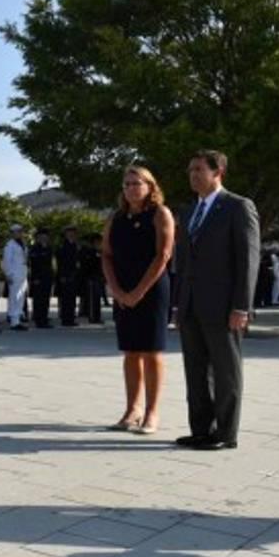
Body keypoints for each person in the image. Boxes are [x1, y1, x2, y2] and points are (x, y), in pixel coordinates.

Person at [173, 149, 260, 451]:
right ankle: (201, 429)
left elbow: (248, 260)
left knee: (226, 372)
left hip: (224, 307)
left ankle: (225, 433)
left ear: (217, 172)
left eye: (198, 169)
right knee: (195, 371)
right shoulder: (187, 212)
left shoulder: (237, 207)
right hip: (191, 305)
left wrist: (241, 306)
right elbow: (182, 262)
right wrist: (177, 304)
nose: (192, 175)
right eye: (190, 170)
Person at [101, 166, 174, 434]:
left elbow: (163, 256)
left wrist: (138, 293)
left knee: (151, 351)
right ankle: (133, 409)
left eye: (137, 183)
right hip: (123, 290)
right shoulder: (115, 218)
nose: (131, 188)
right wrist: (117, 290)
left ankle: (152, 413)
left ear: (150, 186)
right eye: (127, 184)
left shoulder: (160, 214)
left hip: (152, 290)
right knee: (130, 351)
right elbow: (106, 255)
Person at [2, 224, 29, 331]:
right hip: (14, 274)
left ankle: (17, 318)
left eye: (20, 231)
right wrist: (8, 274)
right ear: (12, 233)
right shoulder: (9, 246)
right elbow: (6, 262)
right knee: (14, 298)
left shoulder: (22, 244)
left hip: (22, 274)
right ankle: (14, 321)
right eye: (17, 231)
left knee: (21, 297)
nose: (19, 233)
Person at [29, 228, 54, 328]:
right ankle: (39, 320)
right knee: (38, 300)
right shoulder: (35, 249)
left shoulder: (48, 248)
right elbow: (35, 264)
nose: (44, 239)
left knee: (45, 299)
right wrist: (35, 278)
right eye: (42, 237)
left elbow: (49, 263)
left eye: (46, 237)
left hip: (47, 277)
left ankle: (44, 318)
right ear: (38, 238)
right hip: (38, 278)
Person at [57, 225, 80, 326]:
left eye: (73, 234)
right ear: (66, 235)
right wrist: (62, 276)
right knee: (66, 299)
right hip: (66, 276)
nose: (72, 235)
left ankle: (71, 318)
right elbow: (61, 263)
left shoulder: (75, 245)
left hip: (74, 275)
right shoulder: (63, 246)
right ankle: (66, 319)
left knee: (72, 299)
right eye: (70, 233)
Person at [80, 234, 104, 323]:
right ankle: (93, 317)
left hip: (98, 278)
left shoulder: (100, 252)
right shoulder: (90, 252)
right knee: (92, 299)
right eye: (98, 242)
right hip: (92, 278)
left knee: (97, 299)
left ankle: (97, 316)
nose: (99, 243)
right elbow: (87, 266)